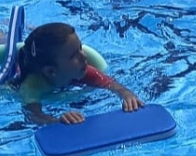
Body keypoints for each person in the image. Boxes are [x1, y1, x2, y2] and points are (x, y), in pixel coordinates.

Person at [13, 22, 142, 126]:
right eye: (74, 55)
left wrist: (127, 95)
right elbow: (33, 116)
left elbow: (115, 86)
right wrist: (57, 121)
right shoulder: (32, 86)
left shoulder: (83, 70)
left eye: (80, 48)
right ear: (51, 71)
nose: (84, 56)